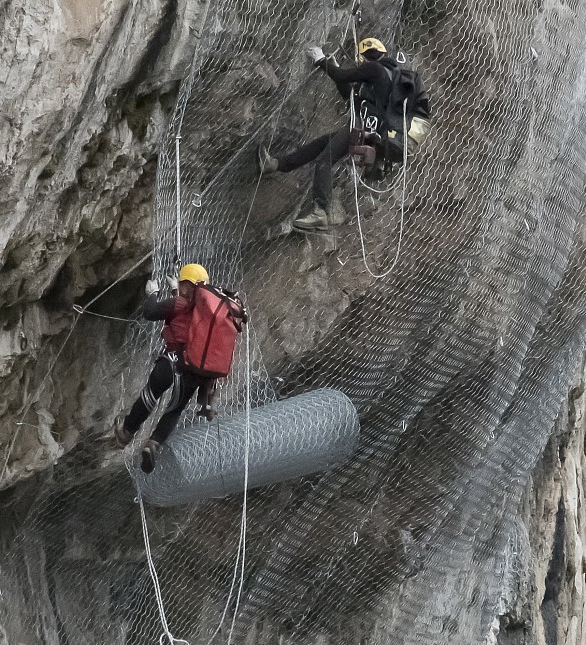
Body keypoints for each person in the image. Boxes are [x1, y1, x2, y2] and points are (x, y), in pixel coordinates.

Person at [260, 37, 434, 232]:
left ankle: (321, 212)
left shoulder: (375, 69)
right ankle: (276, 164)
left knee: (324, 160)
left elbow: (343, 77)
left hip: (365, 129)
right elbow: (350, 97)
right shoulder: (386, 80)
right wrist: (333, 67)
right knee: (321, 145)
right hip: (374, 133)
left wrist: (320, 59)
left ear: (363, 57)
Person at [117, 263, 248, 472]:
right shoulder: (210, 313)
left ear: (186, 285)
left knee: (150, 396)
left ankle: (126, 432)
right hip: (193, 372)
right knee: (174, 409)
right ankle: (153, 445)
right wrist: (174, 291)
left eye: (181, 283)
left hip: (170, 362)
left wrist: (153, 293)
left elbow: (150, 312)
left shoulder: (179, 303)